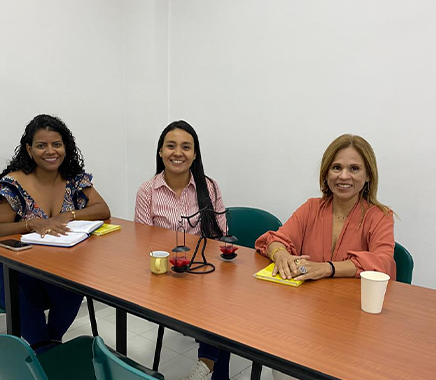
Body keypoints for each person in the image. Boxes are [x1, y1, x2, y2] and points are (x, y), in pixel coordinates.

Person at [255, 134, 395, 380]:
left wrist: (327, 268)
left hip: (355, 325)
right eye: (336, 167)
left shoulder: (380, 216)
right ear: (326, 173)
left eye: (354, 168)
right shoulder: (310, 207)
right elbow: (275, 239)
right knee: (280, 358)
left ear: (368, 175)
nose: (343, 176)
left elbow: (382, 262)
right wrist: (280, 254)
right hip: (307, 320)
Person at [0, 114, 110, 351]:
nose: (51, 151)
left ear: (66, 147)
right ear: (29, 149)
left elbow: (102, 209)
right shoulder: (10, 184)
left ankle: (49, 347)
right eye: (41, 145)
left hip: (50, 266)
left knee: (76, 285)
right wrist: (32, 223)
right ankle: (46, 349)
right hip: (5, 269)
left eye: (56, 144)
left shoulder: (73, 178)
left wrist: (67, 215)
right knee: (24, 300)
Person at [135, 120, 229, 380]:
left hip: (202, 272)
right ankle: (211, 366)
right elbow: (144, 242)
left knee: (222, 303)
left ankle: (207, 365)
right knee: (216, 308)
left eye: (186, 147)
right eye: (171, 146)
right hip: (167, 275)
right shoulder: (147, 190)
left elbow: (219, 235)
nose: (178, 153)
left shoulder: (209, 187)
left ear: (195, 153)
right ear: (160, 151)